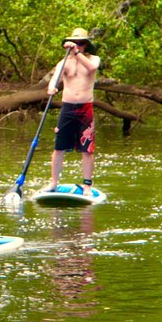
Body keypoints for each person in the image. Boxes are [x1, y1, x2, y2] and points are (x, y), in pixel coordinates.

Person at [43, 28, 101, 196]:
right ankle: (53, 182)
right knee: (59, 147)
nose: (78, 46)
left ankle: (87, 185)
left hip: (85, 108)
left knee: (87, 149)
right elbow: (55, 78)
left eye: (81, 44)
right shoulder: (63, 62)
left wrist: (76, 53)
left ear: (86, 45)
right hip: (67, 108)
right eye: (75, 43)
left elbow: (91, 68)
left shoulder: (93, 59)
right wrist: (51, 87)